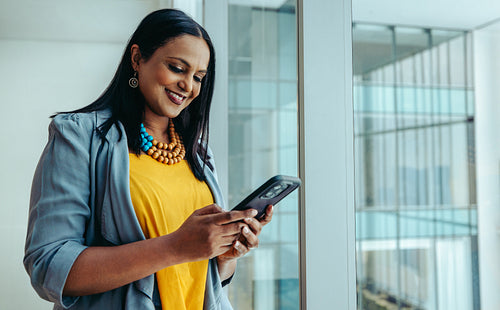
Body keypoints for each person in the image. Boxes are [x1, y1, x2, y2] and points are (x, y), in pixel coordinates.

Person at [23, 9, 273, 310]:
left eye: (198, 77)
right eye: (177, 68)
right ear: (137, 58)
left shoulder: (199, 154)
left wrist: (223, 256)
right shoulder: (78, 137)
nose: (188, 86)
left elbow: (199, 279)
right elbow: (49, 265)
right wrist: (174, 247)